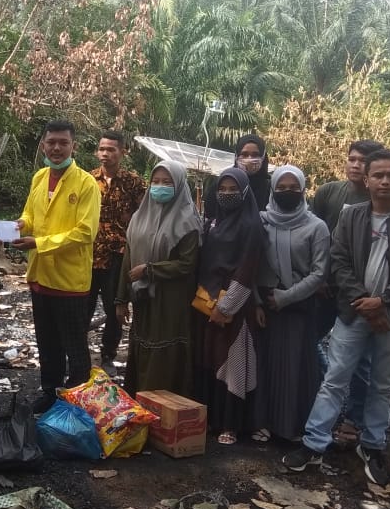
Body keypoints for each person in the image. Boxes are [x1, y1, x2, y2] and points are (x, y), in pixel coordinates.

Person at [284, 149, 390, 485]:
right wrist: (363, 300)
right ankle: (314, 443)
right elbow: (339, 262)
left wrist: (386, 299)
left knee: (382, 384)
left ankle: (374, 446)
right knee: (335, 379)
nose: (385, 181)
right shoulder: (351, 217)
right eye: (378, 175)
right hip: (352, 314)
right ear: (366, 180)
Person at [13, 120, 100, 415]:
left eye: (63, 142)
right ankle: (49, 392)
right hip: (41, 277)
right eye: (51, 142)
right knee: (47, 342)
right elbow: (29, 212)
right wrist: (20, 225)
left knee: (75, 347)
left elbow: (85, 232)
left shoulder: (86, 183)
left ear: (73, 146)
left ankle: (78, 403)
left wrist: (39, 242)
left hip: (70, 281)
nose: (57, 148)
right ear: (43, 145)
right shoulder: (39, 177)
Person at [310, 139, 384, 448]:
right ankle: (315, 401)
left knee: (363, 363)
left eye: (362, 160)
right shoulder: (329, 192)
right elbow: (312, 233)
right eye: (351, 158)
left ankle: (354, 418)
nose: (355, 164)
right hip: (325, 288)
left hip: (361, 295)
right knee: (310, 341)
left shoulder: (381, 201)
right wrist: (318, 278)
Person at [252, 166, 330, 442]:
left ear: (303, 189)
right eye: (281, 188)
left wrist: (287, 297)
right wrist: (258, 303)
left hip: (299, 307)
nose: (288, 192)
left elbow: (320, 273)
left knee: (296, 366)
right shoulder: (261, 221)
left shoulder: (316, 226)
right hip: (264, 307)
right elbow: (251, 264)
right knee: (266, 365)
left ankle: (293, 426)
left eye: (293, 187)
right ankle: (263, 422)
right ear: (273, 190)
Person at [114, 160, 201, 397]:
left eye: (167, 182)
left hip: (171, 300)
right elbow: (128, 259)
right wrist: (121, 299)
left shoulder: (188, 222)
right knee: (141, 346)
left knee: (164, 353)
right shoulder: (139, 217)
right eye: (156, 182)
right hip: (143, 299)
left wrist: (150, 270)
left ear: (180, 186)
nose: (159, 187)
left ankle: (163, 410)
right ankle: (139, 402)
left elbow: (187, 264)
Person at [193, 167, 265, 445]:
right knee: (209, 360)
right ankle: (211, 418)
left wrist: (227, 307)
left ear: (245, 192)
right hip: (206, 301)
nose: (226, 194)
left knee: (233, 364)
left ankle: (232, 424)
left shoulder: (251, 225)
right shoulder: (213, 222)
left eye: (233, 189)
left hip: (233, 306)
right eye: (222, 189)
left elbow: (247, 269)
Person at [86, 132, 146, 367]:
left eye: (111, 149)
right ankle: (79, 356)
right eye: (101, 148)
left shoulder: (134, 183)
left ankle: (108, 354)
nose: (105, 154)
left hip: (118, 257)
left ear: (123, 152)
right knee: (83, 306)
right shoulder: (87, 179)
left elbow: (146, 216)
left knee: (115, 308)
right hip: (89, 255)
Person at [203, 134, 271, 223]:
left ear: (263, 157)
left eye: (255, 155)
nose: (249, 159)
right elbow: (210, 214)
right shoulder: (222, 184)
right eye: (244, 154)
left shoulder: (270, 189)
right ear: (236, 156)